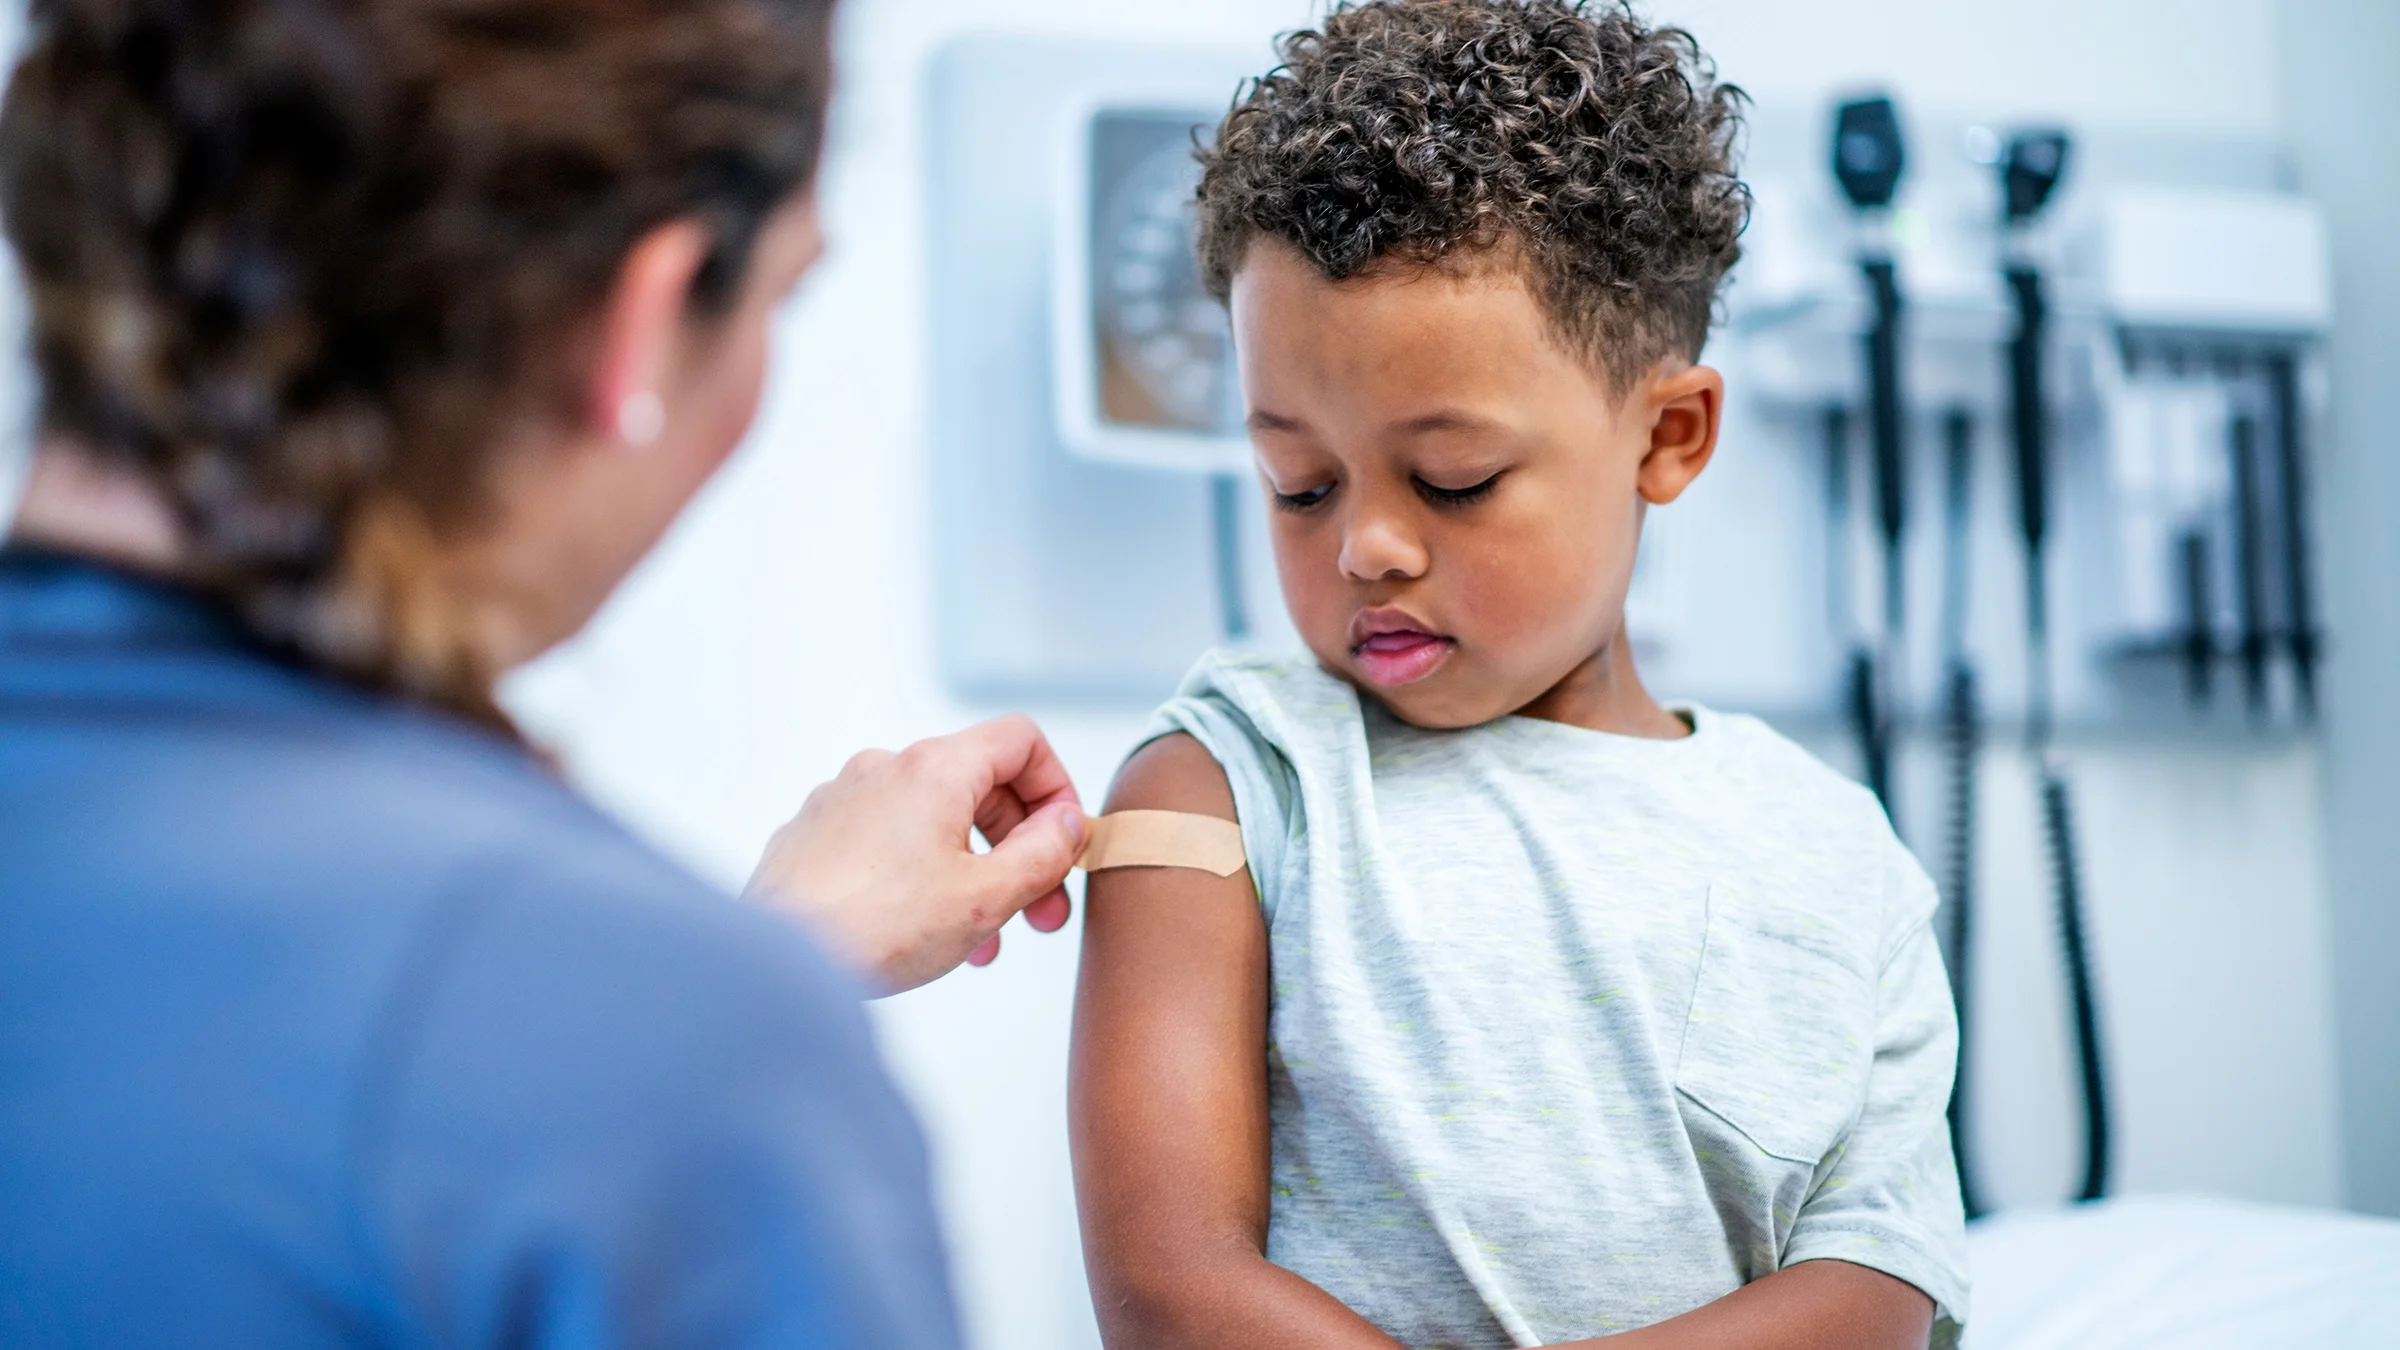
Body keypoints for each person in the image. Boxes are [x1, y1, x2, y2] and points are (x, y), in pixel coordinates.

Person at [0, 0, 1084, 1343]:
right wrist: (700, 1020)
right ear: (644, 314)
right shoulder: (668, 1062)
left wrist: (737, 968)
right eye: (781, 295)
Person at [1069, 3, 1970, 1348]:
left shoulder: (1840, 863)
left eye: (1454, 479)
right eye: (1297, 482)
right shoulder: (1226, 784)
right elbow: (1169, 1282)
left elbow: (1879, 1287)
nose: (1366, 545)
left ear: (1667, 435)